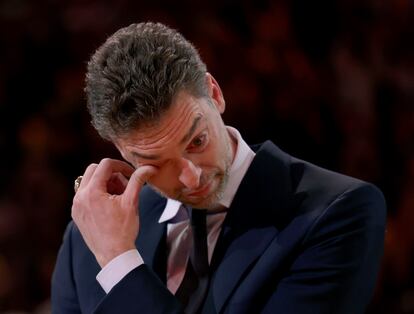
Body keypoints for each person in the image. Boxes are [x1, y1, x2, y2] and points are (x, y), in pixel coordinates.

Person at [51, 22, 386, 314]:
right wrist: (113, 252)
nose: (191, 176)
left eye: (196, 141)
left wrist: (121, 264)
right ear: (119, 149)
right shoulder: (87, 242)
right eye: (155, 162)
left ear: (215, 93)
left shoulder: (338, 213)